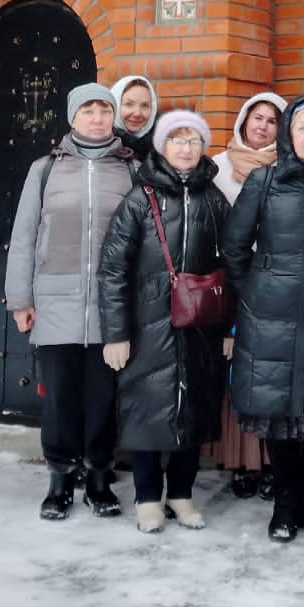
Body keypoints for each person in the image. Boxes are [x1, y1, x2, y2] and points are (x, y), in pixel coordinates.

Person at [221, 96, 304, 542]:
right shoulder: (264, 181)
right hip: (270, 318)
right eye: (301, 128)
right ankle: (284, 506)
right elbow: (235, 247)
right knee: (277, 414)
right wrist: (258, 293)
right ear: (289, 136)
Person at [4, 82, 132, 520]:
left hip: (110, 305)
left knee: (101, 397)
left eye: (104, 110)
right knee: (59, 398)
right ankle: (59, 481)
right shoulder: (45, 169)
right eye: (88, 110)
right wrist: (20, 298)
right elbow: (23, 237)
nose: (97, 118)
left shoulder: (128, 170)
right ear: (72, 116)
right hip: (54, 302)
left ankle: (98, 478)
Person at [99, 109, 231, 533]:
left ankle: (181, 493)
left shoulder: (214, 199)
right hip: (147, 323)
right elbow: (113, 270)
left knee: (192, 410)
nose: (186, 147)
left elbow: (233, 265)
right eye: (177, 139)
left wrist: (230, 328)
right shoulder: (141, 200)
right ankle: (146, 498)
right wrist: (116, 333)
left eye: (194, 140)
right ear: (162, 146)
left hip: (200, 325)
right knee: (146, 409)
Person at [211, 91, 289, 497]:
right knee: (232, 368)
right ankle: (239, 461)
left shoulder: (287, 168)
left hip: (272, 283)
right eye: (256, 118)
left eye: (271, 120)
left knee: (270, 372)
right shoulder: (218, 166)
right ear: (243, 120)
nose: (262, 126)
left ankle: (272, 461)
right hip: (227, 279)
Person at [109, 74, 159, 155]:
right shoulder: (99, 146)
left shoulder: (164, 146)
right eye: (129, 104)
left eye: (145, 105)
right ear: (114, 105)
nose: (137, 113)